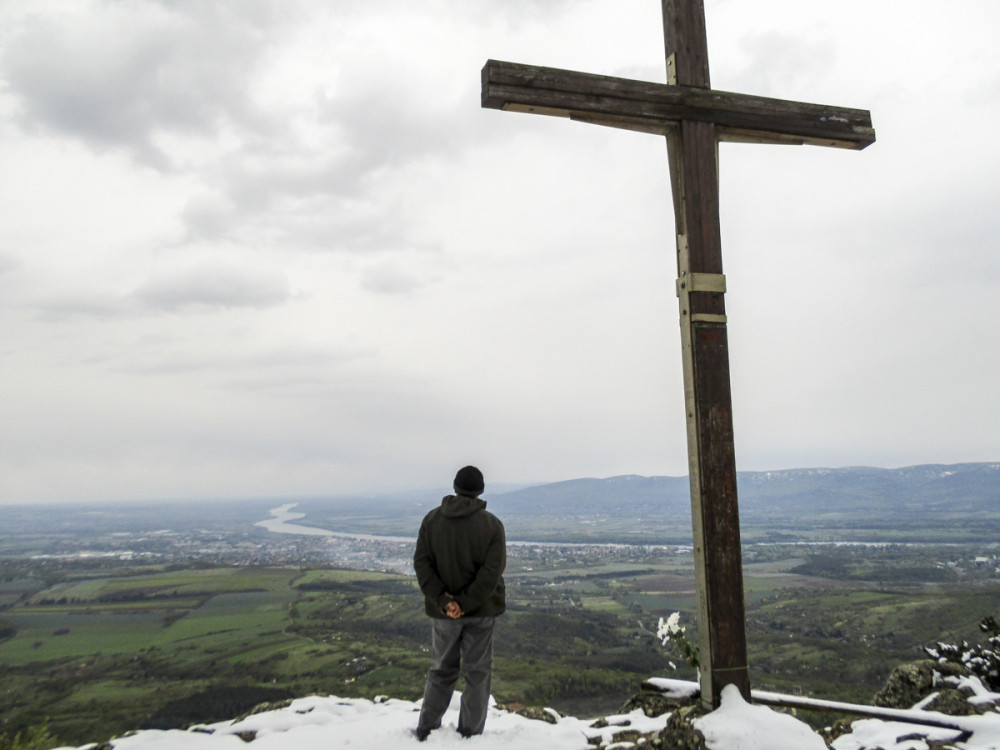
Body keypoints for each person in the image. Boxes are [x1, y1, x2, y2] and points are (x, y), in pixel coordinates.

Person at [413, 465, 506, 740]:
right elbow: (491, 574)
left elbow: (421, 564)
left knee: (441, 670)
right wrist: (465, 603)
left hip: (443, 614)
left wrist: (445, 601)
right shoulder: (491, 525)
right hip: (481, 612)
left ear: (455, 487)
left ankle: (427, 730)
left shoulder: (431, 521)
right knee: (477, 673)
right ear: (480, 491)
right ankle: (471, 734)